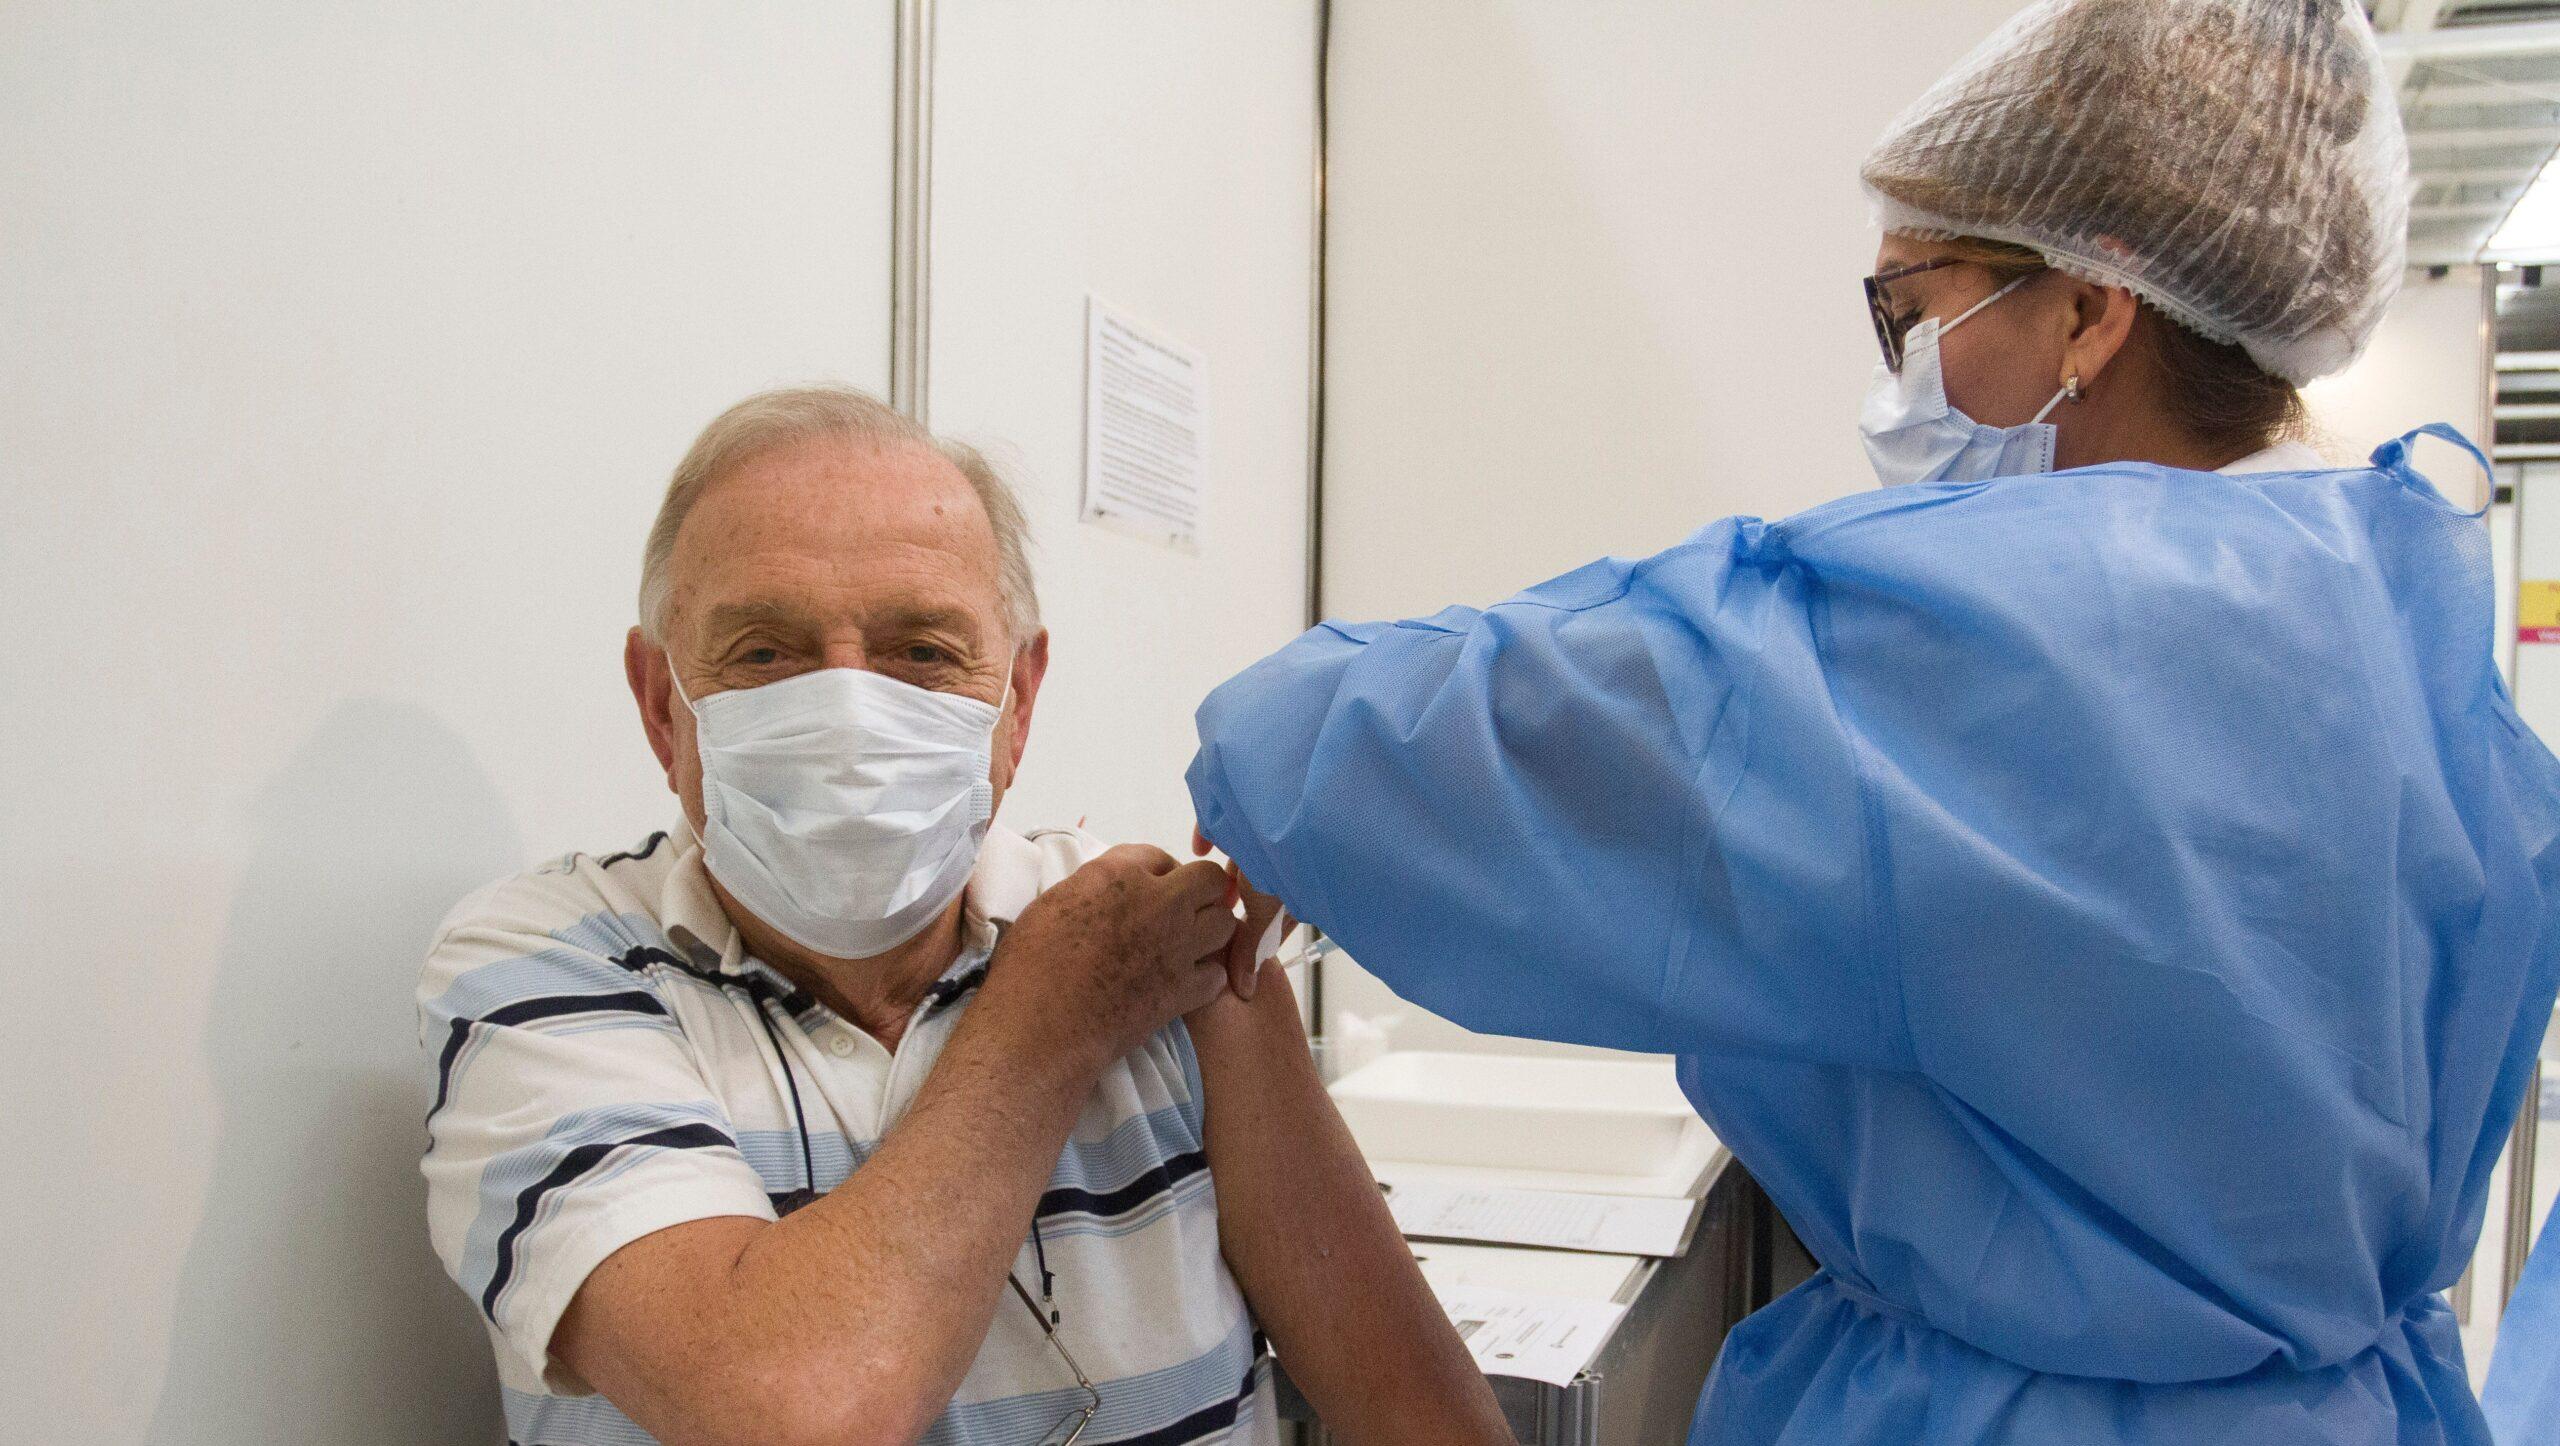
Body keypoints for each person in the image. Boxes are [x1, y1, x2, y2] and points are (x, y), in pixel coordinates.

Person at [1185, 2, 2560, 1442]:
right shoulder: (2403, 610)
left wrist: (1272, 780)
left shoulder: (1996, 640)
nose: (1899, 372)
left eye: (1914, 310)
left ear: (2092, 309)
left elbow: (1479, 732)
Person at [416, 386, 1508, 1446]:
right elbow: (790, 1410)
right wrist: (1055, 1013)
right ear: (663, 704)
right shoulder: (541, 968)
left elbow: (1412, 1408)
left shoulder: (1163, 940)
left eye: (922, 651)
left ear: (1017, 702)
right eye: (765, 652)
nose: (847, 708)